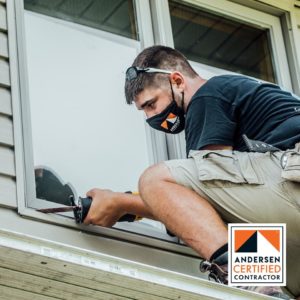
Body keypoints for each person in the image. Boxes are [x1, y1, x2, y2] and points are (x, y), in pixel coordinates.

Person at [84, 46, 300, 299]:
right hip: (286, 200)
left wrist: (120, 203)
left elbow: (201, 196)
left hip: (292, 179)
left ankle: (251, 282)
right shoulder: (245, 97)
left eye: (151, 104)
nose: (151, 116)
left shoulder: (209, 95)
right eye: (144, 111)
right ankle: (267, 290)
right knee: (278, 281)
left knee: (154, 180)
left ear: (177, 80)